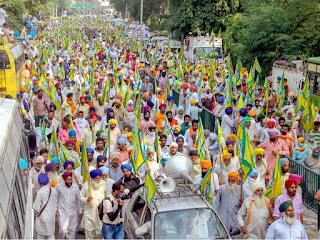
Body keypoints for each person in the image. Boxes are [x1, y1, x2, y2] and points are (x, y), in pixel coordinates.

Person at [80, 169, 107, 239]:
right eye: (96, 178)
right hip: (89, 213)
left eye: (99, 178)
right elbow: (80, 197)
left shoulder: (103, 184)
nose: (98, 180)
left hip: (100, 213)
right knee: (89, 232)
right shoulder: (86, 185)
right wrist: (87, 199)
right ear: (92, 178)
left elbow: (107, 195)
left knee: (100, 232)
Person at [213, 172, 241, 237]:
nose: (230, 182)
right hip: (223, 217)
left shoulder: (240, 190)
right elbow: (216, 203)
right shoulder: (222, 188)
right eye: (229, 180)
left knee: (234, 236)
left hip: (234, 219)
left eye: (233, 181)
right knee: (223, 235)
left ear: (236, 181)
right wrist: (215, 217)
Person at [56, 172, 83, 239]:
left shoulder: (75, 187)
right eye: (68, 179)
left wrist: (80, 212)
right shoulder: (59, 187)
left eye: (70, 179)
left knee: (72, 230)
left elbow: (79, 200)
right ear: (64, 180)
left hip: (73, 212)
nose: (69, 181)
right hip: (62, 212)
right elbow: (56, 199)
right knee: (62, 230)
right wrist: (56, 210)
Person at [33, 173, 58, 239]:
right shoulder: (53, 190)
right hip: (51, 218)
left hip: (42, 219)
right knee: (50, 235)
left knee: (40, 235)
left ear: (39, 182)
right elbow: (56, 203)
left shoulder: (40, 192)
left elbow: (36, 207)